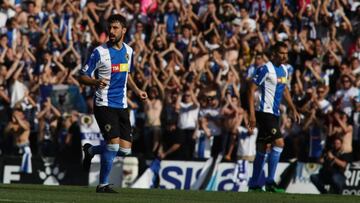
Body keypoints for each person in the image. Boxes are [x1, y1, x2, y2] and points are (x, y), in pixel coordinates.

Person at [78, 14, 147, 193]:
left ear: (124, 30)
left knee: (124, 151)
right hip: (104, 104)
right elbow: (82, 76)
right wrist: (95, 82)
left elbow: (128, 75)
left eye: (115, 28)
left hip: (122, 105)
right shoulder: (99, 52)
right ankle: (102, 185)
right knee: (113, 145)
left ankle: (91, 151)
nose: (111, 31)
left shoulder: (129, 51)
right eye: (110, 27)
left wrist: (138, 90)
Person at [247, 42, 301, 192]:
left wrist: (293, 108)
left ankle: (253, 185)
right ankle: (270, 181)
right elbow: (250, 90)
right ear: (274, 54)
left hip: (275, 114)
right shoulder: (265, 69)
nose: (285, 56)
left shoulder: (284, 70)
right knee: (279, 143)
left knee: (263, 148)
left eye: (286, 53)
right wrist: (251, 114)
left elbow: (284, 91)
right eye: (281, 53)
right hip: (265, 112)